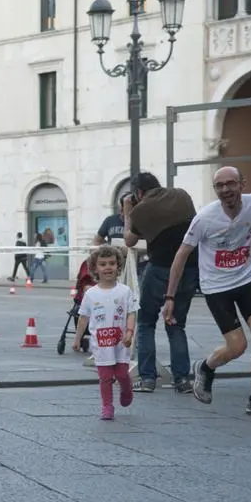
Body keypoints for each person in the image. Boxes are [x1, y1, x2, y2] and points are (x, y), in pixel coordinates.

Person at [163, 166, 251, 418]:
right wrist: (170, 297)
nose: (226, 190)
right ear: (215, 190)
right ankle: (206, 367)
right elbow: (181, 256)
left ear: (242, 184)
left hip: (247, 279)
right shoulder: (204, 218)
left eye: (231, 183)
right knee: (237, 346)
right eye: (219, 186)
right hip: (217, 287)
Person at [122, 172, 197, 393]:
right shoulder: (182, 195)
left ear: (138, 193)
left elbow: (129, 239)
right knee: (176, 323)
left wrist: (128, 211)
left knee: (146, 322)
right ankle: (182, 379)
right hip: (189, 269)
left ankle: (147, 379)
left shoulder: (140, 210)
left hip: (161, 270)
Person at [74, 245, 137, 420]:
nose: (108, 267)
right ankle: (107, 406)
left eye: (112, 263)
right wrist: (77, 339)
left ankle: (126, 388)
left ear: (118, 266)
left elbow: (131, 313)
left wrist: (130, 332)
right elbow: (83, 318)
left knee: (122, 374)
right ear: (95, 268)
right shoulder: (91, 294)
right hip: (100, 345)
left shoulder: (125, 291)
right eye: (103, 264)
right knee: (105, 378)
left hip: (121, 344)